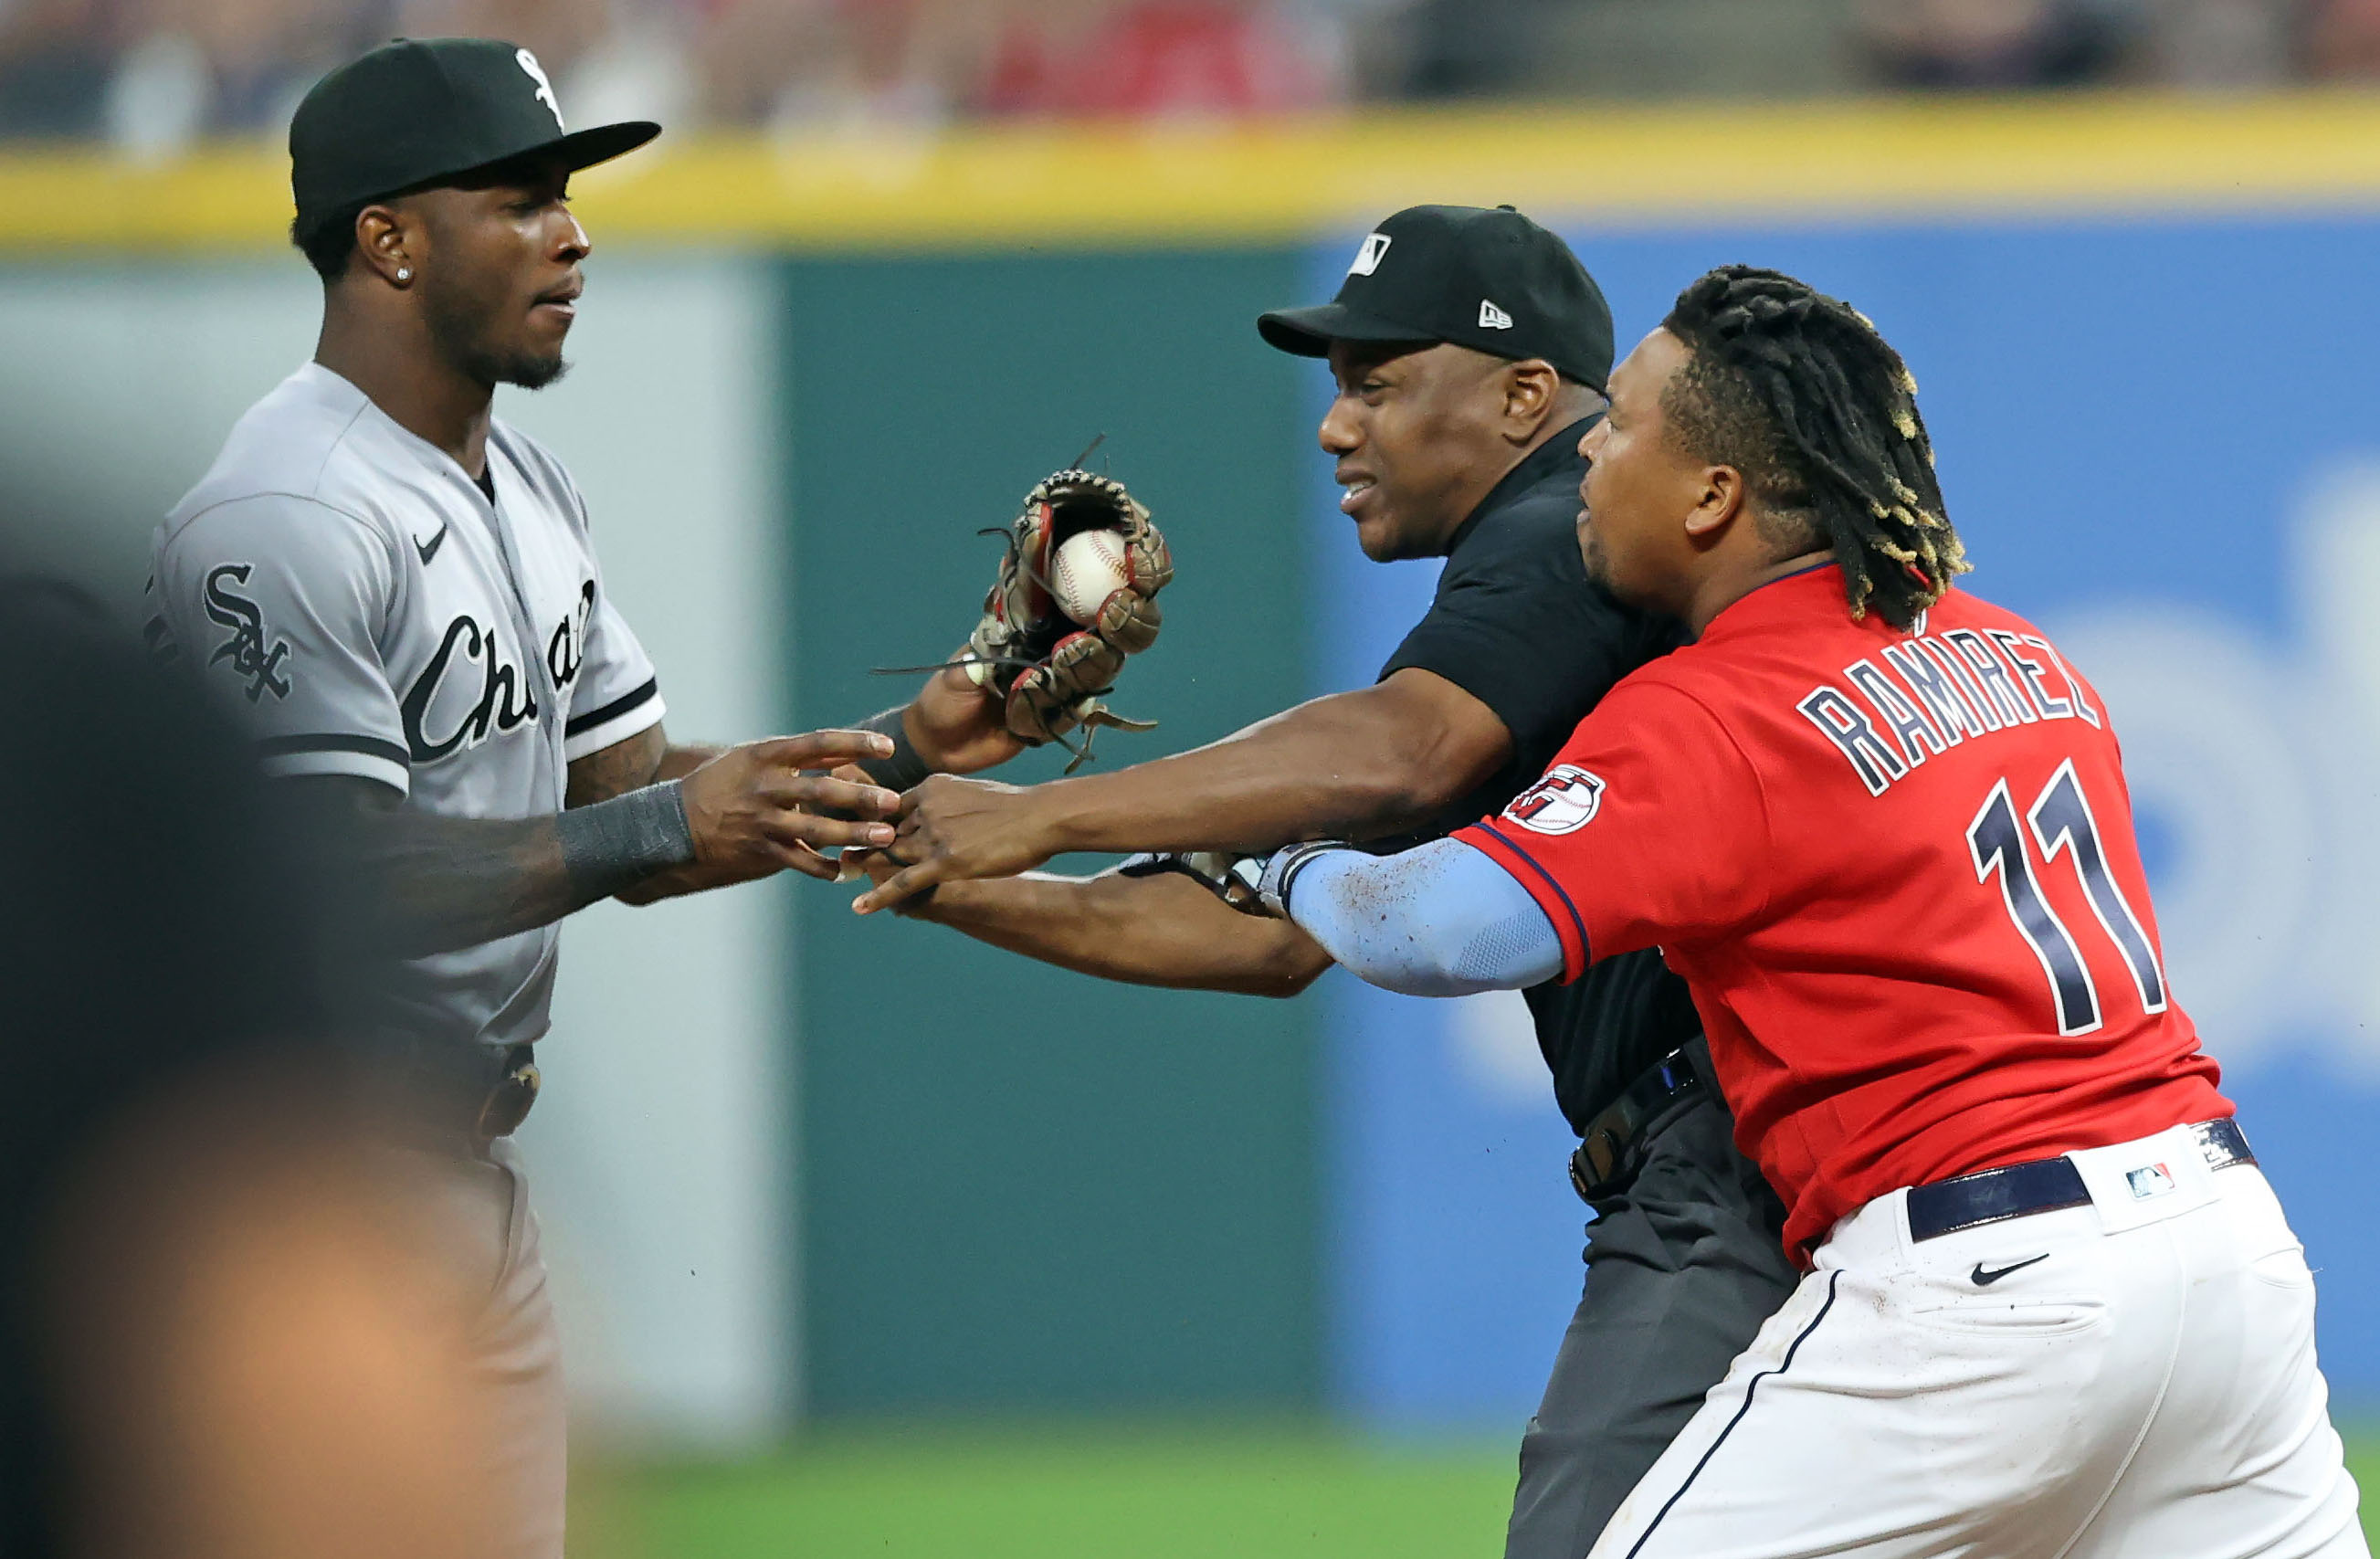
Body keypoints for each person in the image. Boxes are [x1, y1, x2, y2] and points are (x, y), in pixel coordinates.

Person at [139, 37, 1151, 1558]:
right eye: (521, 197)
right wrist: (662, 825)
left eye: (569, 197)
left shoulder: (526, 485)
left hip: (465, 1178)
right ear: (389, 239)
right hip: (294, 1181)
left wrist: (930, 733)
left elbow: (640, 802)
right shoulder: (284, 514)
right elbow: (320, 877)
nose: (573, 232)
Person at [1248, 265, 2368, 1558]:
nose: (1590, 456)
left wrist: (1287, 868)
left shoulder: (1719, 706)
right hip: (2218, 1250)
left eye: (1616, 427)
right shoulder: (2019, 654)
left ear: (1713, 494)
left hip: (1978, 1283)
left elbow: (1442, 927)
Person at [849, 205, 1801, 1556]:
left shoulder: (1561, 530)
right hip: (1743, 1149)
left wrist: (1035, 817)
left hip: (1728, 1163)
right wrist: (944, 862)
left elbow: (1403, 752)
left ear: (1526, 393)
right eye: (1336, 388)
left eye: (1378, 382)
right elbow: (1269, 939)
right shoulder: (1538, 602)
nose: (1333, 426)